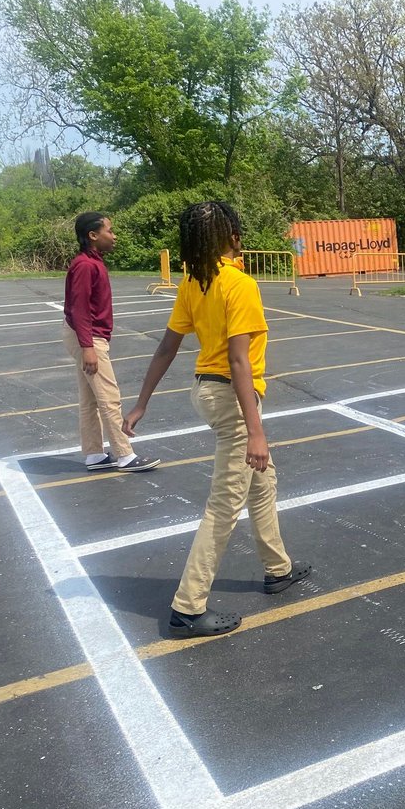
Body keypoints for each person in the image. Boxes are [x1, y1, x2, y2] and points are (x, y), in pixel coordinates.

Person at [123, 202, 311, 639]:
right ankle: (188, 608)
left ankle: (277, 568)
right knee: (225, 503)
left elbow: (167, 346)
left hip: (206, 391)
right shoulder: (239, 284)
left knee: (262, 482)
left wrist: (141, 403)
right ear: (233, 236)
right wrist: (256, 431)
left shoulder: (194, 280)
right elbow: (239, 361)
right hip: (232, 398)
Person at [62, 212, 159, 474]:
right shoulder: (85, 265)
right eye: (109, 230)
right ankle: (125, 454)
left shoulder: (93, 263)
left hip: (87, 336)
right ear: (93, 236)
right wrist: (88, 347)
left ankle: (94, 454)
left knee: (90, 399)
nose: (114, 235)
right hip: (87, 336)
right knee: (108, 396)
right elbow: (79, 308)